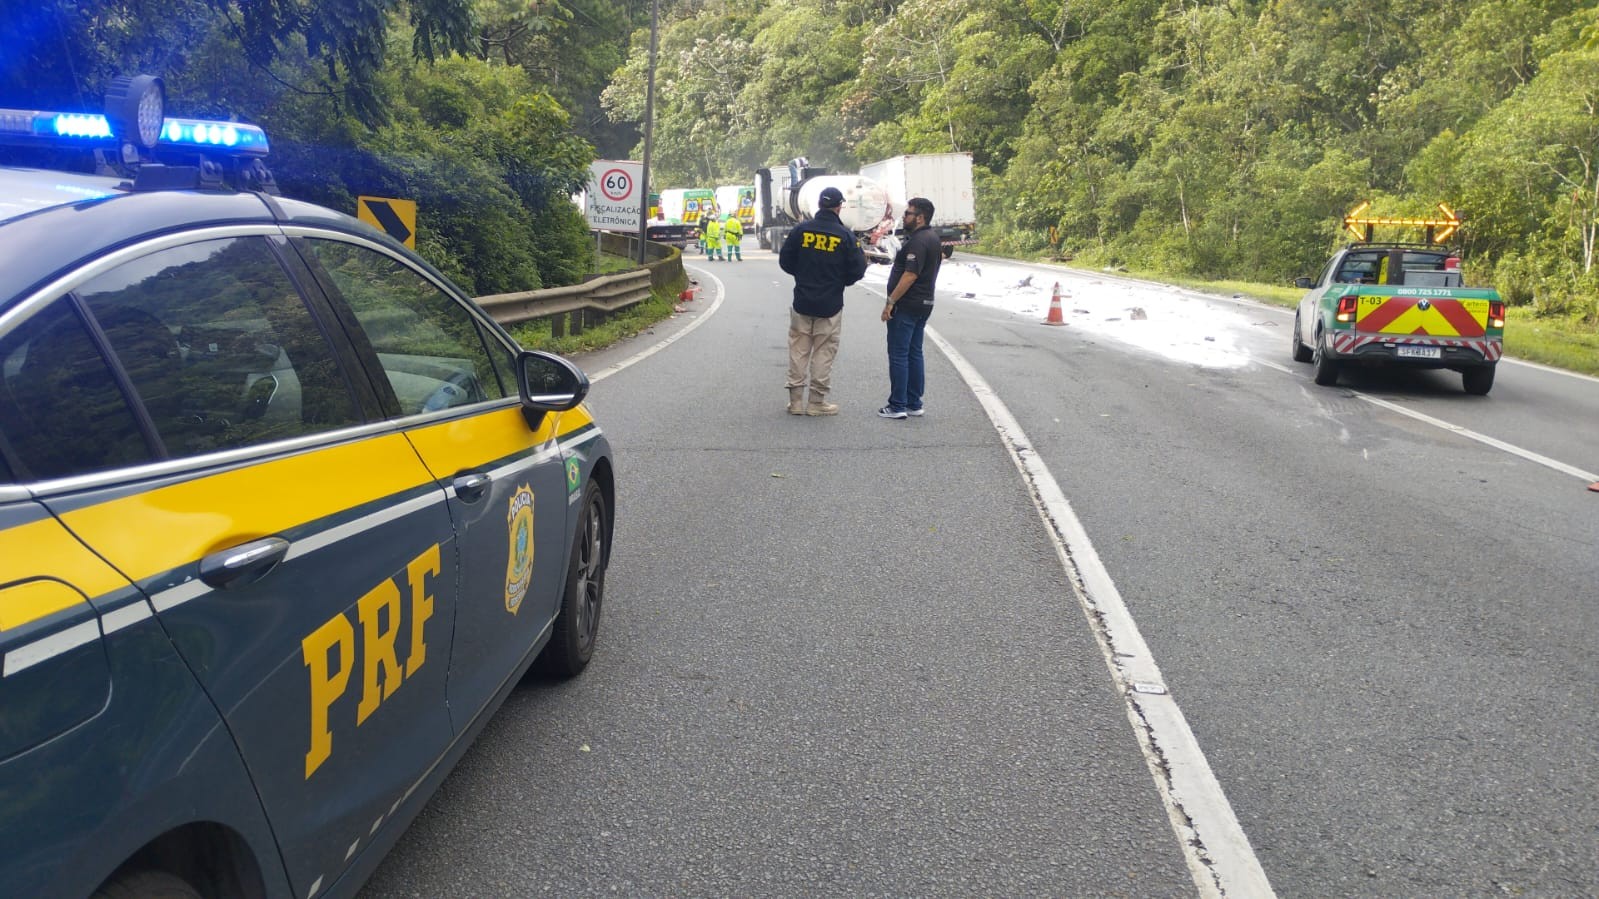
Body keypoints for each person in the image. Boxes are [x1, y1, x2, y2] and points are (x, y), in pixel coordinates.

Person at [778, 186, 868, 415]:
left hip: (802, 301)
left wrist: (803, 275)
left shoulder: (801, 230)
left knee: (798, 350)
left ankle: (796, 401)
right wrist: (838, 283)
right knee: (823, 352)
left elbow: (785, 261)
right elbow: (858, 270)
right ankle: (816, 403)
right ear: (839, 207)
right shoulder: (846, 236)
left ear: (819, 205)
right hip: (830, 304)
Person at [879, 197, 942, 419]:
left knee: (899, 354)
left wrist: (891, 301)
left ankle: (897, 405)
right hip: (924, 303)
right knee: (914, 352)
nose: (904, 216)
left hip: (907, 304)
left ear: (920, 217)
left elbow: (910, 274)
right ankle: (914, 402)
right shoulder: (932, 238)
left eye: (908, 213)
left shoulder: (918, 242)